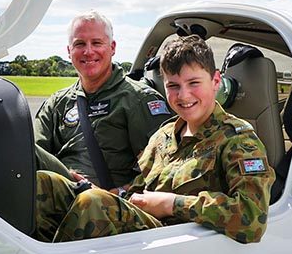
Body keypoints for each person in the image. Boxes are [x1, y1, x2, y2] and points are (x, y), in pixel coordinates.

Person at [35, 35, 275, 244]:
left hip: (175, 238)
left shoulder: (237, 140)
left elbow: (252, 220)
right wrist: (106, 192)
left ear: (215, 81)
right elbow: (138, 189)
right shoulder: (164, 135)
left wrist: (172, 204)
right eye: (173, 86)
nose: (183, 95)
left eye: (194, 83)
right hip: (146, 231)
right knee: (46, 184)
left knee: (92, 203)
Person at [34, 10, 172, 194]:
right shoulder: (57, 103)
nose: (88, 51)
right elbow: (32, 155)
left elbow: (165, 167)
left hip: (107, 205)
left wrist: (122, 192)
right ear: (69, 51)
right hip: (56, 193)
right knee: (21, 149)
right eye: (80, 44)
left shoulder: (139, 100)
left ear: (112, 47)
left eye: (97, 43)